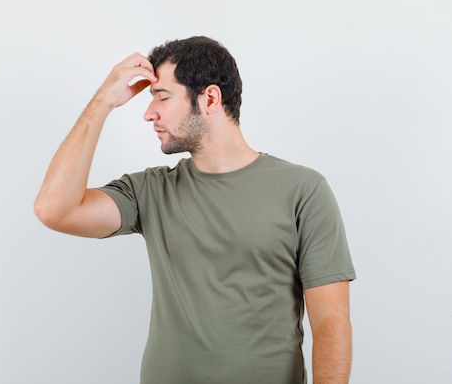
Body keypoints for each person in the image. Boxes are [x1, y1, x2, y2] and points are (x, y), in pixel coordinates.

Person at [34, 36, 356, 384]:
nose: (148, 113)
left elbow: (331, 322)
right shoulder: (150, 191)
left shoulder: (303, 190)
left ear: (210, 98)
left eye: (162, 96)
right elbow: (54, 209)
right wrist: (102, 102)